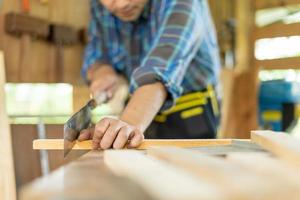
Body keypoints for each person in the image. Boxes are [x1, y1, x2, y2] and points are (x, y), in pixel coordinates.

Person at [78, 0, 221, 149]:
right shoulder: (100, 5)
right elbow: (97, 54)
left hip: (190, 109)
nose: (121, 4)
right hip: (138, 106)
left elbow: (160, 69)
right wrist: (103, 72)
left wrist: (125, 126)